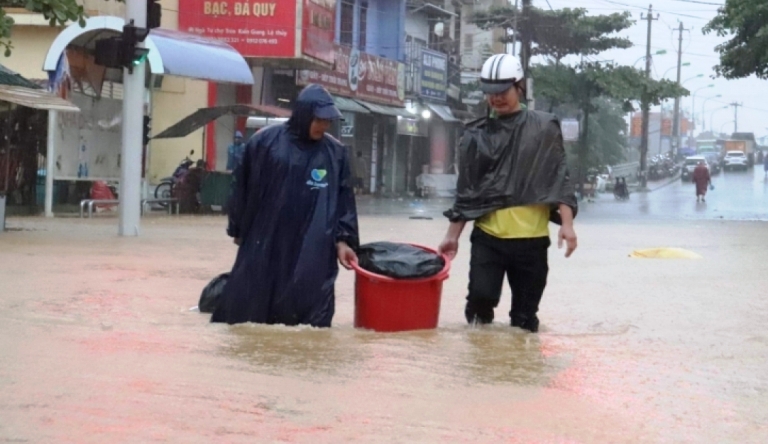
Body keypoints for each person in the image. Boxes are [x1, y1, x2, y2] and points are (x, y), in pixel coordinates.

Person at [438, 54, 578, 333]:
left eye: (502, 92)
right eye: (490, 93)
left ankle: (522, 372)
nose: (496, 99)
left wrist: (567, 225)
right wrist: (452, 236)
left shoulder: (544, 128)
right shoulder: (475, 135)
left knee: (525, 319)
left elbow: (558, 176)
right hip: (489, 239)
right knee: (479, 304)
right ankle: (480, 368)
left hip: (532, 241)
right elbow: (467, 191)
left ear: (519, 87)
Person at [211, 84, 359, 328]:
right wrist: (237, 229)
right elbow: (241, 188)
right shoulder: (265, 143)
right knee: (253, 310)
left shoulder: (336, 154)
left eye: (328, 121)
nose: (324, 126)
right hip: (267, 240)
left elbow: (345, 202)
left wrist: (344, 240)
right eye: (319, 120)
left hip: (314, 248)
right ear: (304, 114)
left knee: (311, 319)